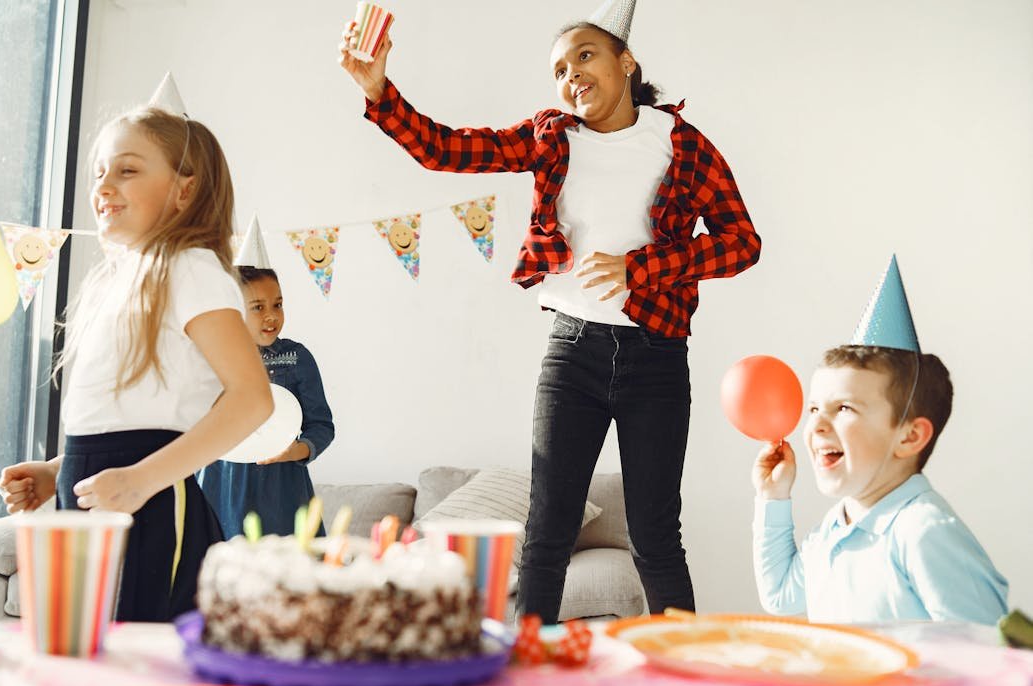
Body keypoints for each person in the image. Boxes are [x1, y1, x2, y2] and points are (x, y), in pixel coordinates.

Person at [339, 0, 761, 622]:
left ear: (626, 61)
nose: (572, 76)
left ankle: (686, 669)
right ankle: (528, 664)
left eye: (585, 57)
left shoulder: (680, 145)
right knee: (547, 531)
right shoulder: (550, 137)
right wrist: (379, 91)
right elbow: (447, 150)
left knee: (655, 535)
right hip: (573, 354)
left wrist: (638, 268)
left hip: (657, 357)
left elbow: (741, 243)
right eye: (560, 69)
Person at [0, 106, 272, 622]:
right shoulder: (114, 282)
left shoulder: (191, 268)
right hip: (97, 497)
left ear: (184, 190)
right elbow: (130, 413)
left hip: (150, 506)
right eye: (98, 172)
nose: (103, 185)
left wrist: (141, 482)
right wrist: (59, 471)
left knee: (139, 674)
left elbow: (252, 398)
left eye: (127, 170)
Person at [752, 261, 1008, 625]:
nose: (817, 426)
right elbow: (780, 595)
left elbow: (990, 656)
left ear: (909, 436)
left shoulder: (924, 533)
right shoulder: (837, 526)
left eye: (843, 407)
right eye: (813, 408)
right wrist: (773, 498)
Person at [198, 265, 335, 539]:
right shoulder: (206, 357)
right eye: (258, 307)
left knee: (288, 572)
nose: (271, 316)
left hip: (280, 487)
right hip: (220, 483)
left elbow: (321, 425)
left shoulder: (296, 358)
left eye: (278, 304)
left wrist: (297, 451)